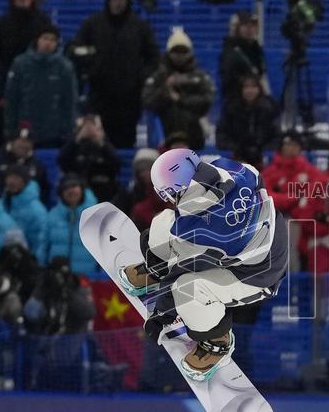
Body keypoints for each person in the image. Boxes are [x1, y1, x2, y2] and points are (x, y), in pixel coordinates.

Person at [117, 149, 290, 381]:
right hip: (263, 243)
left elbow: (182, 271)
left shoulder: (199, 230)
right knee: (163, 224)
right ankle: (156, 270)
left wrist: (160, 317)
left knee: (188, 290)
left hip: (260, 275)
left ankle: (217, 342)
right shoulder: (236, 169)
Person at [68, 0, 158, 149]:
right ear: (108, 1)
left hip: (130, 94)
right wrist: (92, 65)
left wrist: (141, 75)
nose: (118, 3)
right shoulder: (93, 23)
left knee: (127, 138)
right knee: (100, 139)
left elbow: (153, 56)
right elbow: (76, 49)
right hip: (100, 93)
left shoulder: (139, 26)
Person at [5, 24, 77, 149]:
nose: (48, 43)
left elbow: (70, 101)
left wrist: (68, 131)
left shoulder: (65, 67)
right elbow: (12, 99)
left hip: (55, 133)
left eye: (53, 40)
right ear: (37, 40)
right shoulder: (20, 64)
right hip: (25, 132)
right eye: (45, 38)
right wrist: (11, 129)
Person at [143, 28, 215, 150]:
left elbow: (207, 99)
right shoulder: (159, 77)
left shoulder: (199, 77)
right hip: (165, 132)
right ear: (169, 53)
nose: (180, 56)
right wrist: (166, 90)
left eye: (183, 52)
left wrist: (181, 99)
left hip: (194, 135)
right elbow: (147, 100)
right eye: (176, 52)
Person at [0, 0, 53, 101]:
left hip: (38, 80)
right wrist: (4, 71)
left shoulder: (43, 21)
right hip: (9, 82)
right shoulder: (2, 23)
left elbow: (52, 47)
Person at [38, 174, 97, 274]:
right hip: (58, 276)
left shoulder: (96, 216)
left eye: (74, 186)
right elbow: (43, 246)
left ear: (82, 189)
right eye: (66, 188)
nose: (71, 190)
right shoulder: (52, 216)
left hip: (88, 276)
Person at [215, 75, 280, 166]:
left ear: (259, 89)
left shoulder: (269, 108)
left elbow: (277, 136)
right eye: (246, 87)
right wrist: (237, 151)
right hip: (236, 157)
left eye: (253, 87)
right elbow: (221, 135)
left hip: (263, 158)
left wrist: (263, 152)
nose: (249, 91)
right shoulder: (230, 108)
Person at [58, 114, 122, 203]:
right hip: (79, 197)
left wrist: (100, 142)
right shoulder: (75, 146)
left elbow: (117, 164)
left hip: (104, 194)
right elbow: (62, 161)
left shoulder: (105, 147)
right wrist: (78, 138)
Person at [262, 130, 324, 219]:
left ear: (300, 148)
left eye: (295, 145)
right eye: (288, 144)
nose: (291, 148)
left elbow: (315, 194)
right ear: (281, 147)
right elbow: (265, 196)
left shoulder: (310, 171)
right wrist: (294, 198)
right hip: (273, 216)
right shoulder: (270, 172)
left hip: (299, 219)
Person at [0, 127, 51, 202]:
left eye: (28, 141)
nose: (24, 145)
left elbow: (44, 191)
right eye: (21, 141)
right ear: (11, 142)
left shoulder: (37, 165)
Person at [219, 11, 266, 102]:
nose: (249, 29)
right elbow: (229, 80)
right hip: (236, 101)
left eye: (253, 26)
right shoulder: (230, 51)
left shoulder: (256, 49)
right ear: (236, 28)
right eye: (245, 26)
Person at [2, 164, 47, 256]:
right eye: (9, 177)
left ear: (25, 181)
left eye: (16, 178)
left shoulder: (36, 211)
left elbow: (39, 244)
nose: (11, 181)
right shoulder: (1, 204)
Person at [115, 146, 159, 227]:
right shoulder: (131, 193)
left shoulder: (165, 191)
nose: (143, 174)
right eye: (141, 170)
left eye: (148, 168)